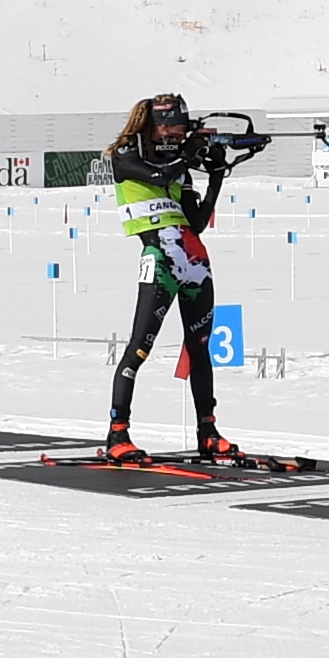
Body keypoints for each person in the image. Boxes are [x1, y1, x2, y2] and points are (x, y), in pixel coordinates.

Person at [102, 92, 238, 462]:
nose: (177, 135)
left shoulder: (179, 165)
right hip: (159, 260)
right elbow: (161, 173)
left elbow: (196, 222)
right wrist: (188, 156)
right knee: (139, 348)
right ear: (155, 127)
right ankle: (117, 434)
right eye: (173, 127)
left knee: (200, 350)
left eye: (181, 129)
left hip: (194, 260)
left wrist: (215, 176)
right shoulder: (126, 155)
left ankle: (208, 431)